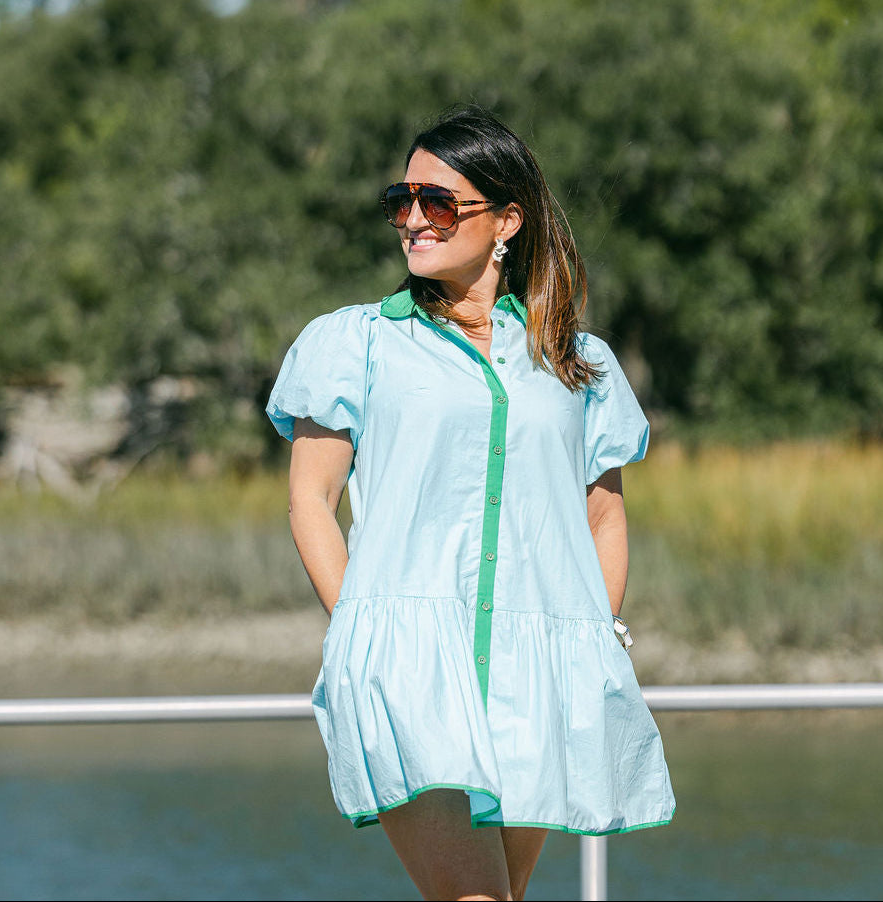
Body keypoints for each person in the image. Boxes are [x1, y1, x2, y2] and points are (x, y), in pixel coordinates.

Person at [266, 105, 674, 901]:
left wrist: (595, 637)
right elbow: (309, 499)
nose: (413, 220)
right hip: (407, 664)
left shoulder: (576, 359)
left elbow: (603, 514)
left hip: (543, 669)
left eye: (439, 202)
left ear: (506, 221)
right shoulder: (356, 342)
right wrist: (358, 628)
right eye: (401, 201)